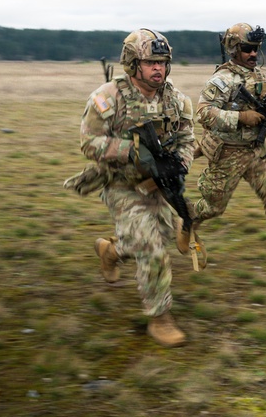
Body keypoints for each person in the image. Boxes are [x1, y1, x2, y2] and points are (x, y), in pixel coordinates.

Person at [78, 28, 196, 347]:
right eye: (151, 62)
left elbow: (187, 138)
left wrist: (181, 163)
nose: (159, 68)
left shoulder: (176, 99)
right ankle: (160, 318)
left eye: (163, 62)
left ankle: (110, 250)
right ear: (132, 64)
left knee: (162, 235)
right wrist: (129, 151)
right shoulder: (108, 98)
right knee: (151, 247)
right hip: (119, 182)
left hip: (157, 183)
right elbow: (88, 142)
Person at [191, 22, 266, 278]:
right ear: (234, 49)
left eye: (256, 48)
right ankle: (187, 221)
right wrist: (240, 118)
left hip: (256, 151)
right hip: (228, 153)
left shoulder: (260, 77)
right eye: (247, 48)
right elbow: (203, 113)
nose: (253, 54)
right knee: (213, 207)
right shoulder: (221, 80)